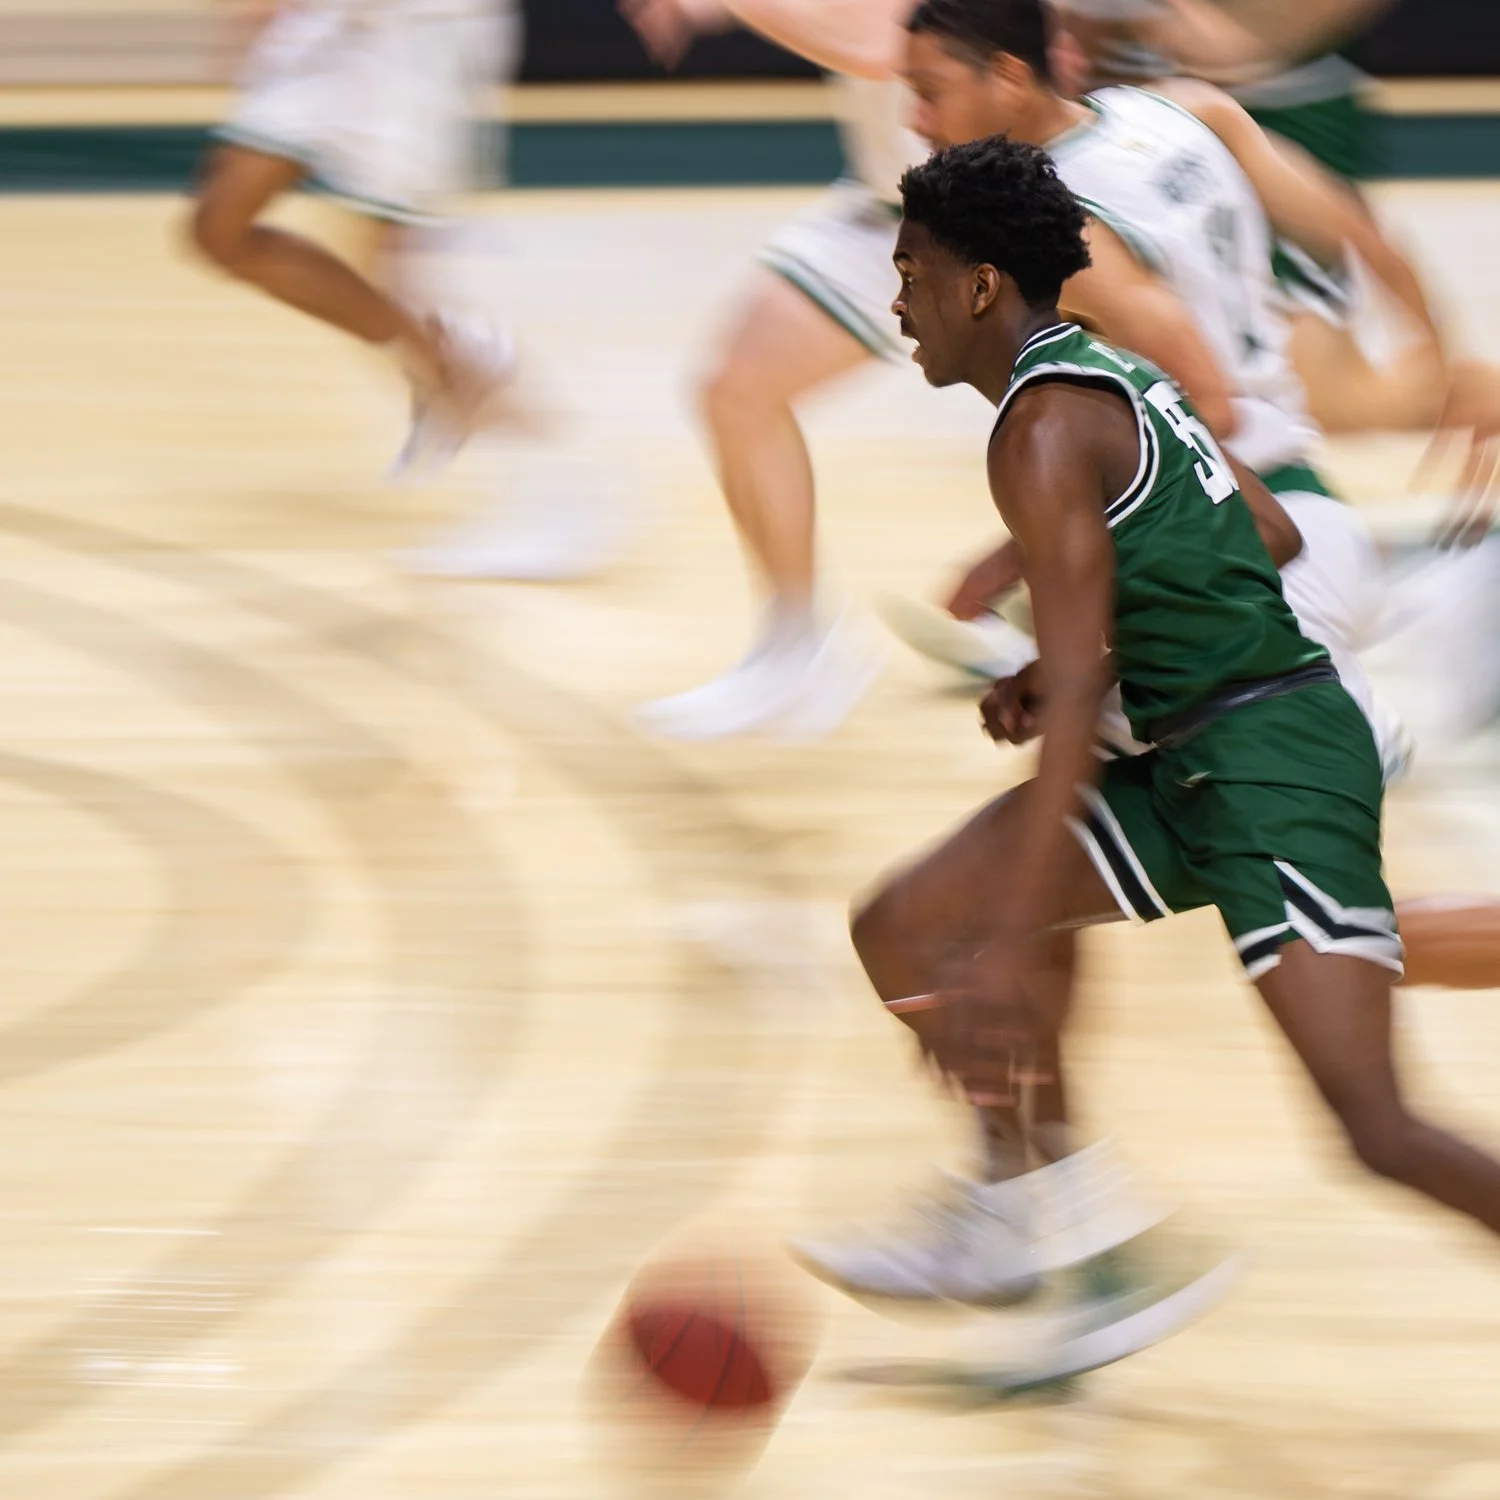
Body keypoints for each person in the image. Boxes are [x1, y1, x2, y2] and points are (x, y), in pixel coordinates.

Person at [794, 134, 1500, 1384]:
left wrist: (1015, 933)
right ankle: (1030, 1217)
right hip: (1195, 746)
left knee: (1377, 1128)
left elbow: (1075, 704)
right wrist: (1090, 660)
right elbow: (1270, 527)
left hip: (1275, 766)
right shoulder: (1106, 372)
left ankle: (1033, 1204)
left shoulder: (1039, 430)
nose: (894, 298)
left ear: (978, 287)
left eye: (910, 270)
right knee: (904, 926)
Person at [619, 0, 917, 739]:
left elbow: (880, 41)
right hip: (891, 201)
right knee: (734, 392)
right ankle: (798, 646)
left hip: (981, 208)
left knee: (1100, 430)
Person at [190, 0, 518, 477]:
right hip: (330, 23)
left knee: (391, 267)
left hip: (428, 28)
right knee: (219, 231)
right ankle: (446, 361)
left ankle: (532, 469)